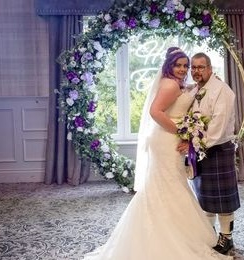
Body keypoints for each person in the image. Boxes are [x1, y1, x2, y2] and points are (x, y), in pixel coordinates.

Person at [83, 47, 233, 260]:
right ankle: (166, 234)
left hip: (167, 138)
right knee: (169, 185)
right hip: (165, 140)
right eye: (178, 65)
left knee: (169, 185)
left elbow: (188, 95)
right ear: (169, 66)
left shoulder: (178, 84)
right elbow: (155, 111)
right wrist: (181, 132)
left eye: (186, 66)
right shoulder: (170, 84)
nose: (183, 69)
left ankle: (176, 230)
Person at [178, 52, 240, 255]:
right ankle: (211, 234)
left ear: (210, 68)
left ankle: (227, 238)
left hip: (218, 149)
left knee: (222, 200)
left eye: (200, 67)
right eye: (193, 68)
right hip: (201, 150)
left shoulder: (222, 90)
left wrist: (195, 144)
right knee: (205, 198)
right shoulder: (197, 89)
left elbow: (218, 126)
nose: (196, 71)